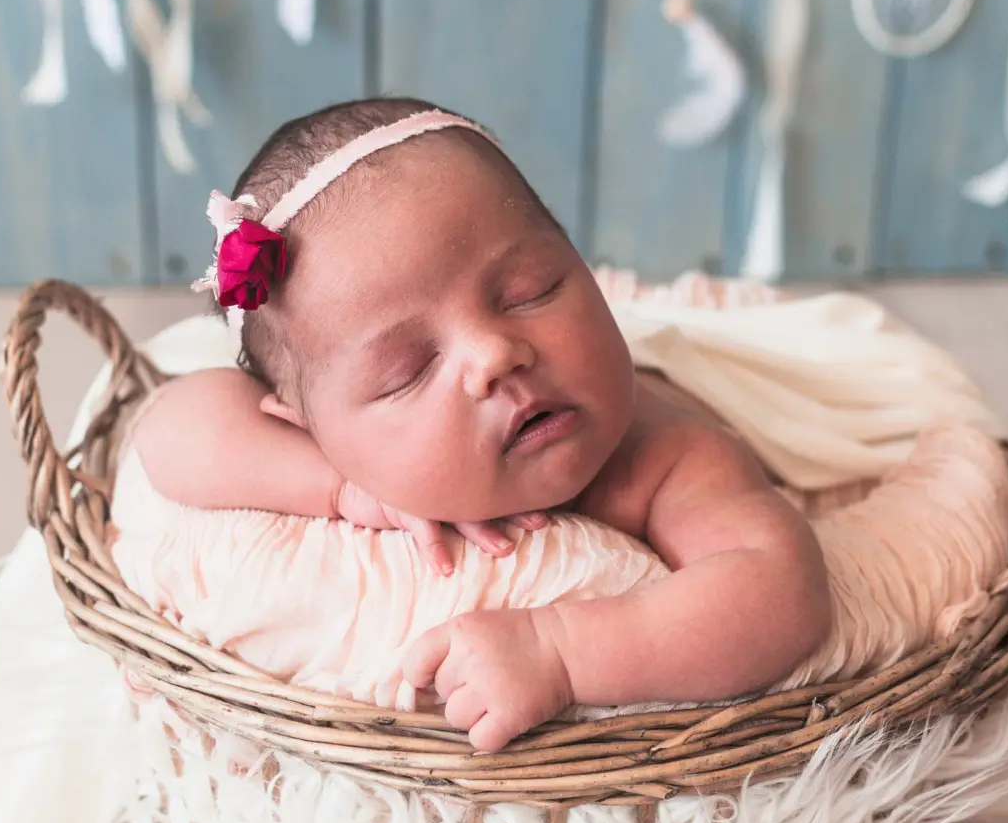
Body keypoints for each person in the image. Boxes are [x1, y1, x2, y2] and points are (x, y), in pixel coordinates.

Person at [129, 97, 831, 753]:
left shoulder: (662, 456)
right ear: (312, 428)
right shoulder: (337, 456)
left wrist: (560, 650)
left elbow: (779, 593)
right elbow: (167, 429)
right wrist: (342, 486)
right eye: (407, 371)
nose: (496, 354)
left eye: (531, 293)